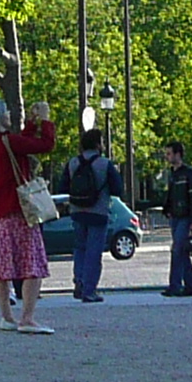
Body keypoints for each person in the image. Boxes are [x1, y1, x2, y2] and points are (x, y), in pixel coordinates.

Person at [0, 97, 59, 334]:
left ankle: (6, 316)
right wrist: (45, 120)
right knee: (32, 264)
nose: (10, 115)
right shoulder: (8, 141)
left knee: (1, 267)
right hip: (20, 210)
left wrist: (31, 125)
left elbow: (20, 144)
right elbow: (44, 145)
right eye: (6, 113)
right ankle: (28, 318)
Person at [61, 126, 118, 304]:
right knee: (94, 251)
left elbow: (63, 187)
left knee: (80, 249)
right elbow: (117, 189)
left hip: (77, 211)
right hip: (98, 212)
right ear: (97, 144)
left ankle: (79, 281)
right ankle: (90, 289)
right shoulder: (105, 164)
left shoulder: (72, 163)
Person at [155, 141, 192, 298]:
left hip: (185, 217)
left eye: (169, 153)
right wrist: (167, 209)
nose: (167, 157)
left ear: (178, 154)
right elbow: (172, 195)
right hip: (175, 216)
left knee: (177, 250)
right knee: (182, 251)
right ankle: (191, 286)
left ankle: (175, 286)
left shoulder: (189, 173)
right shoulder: (173, 174)